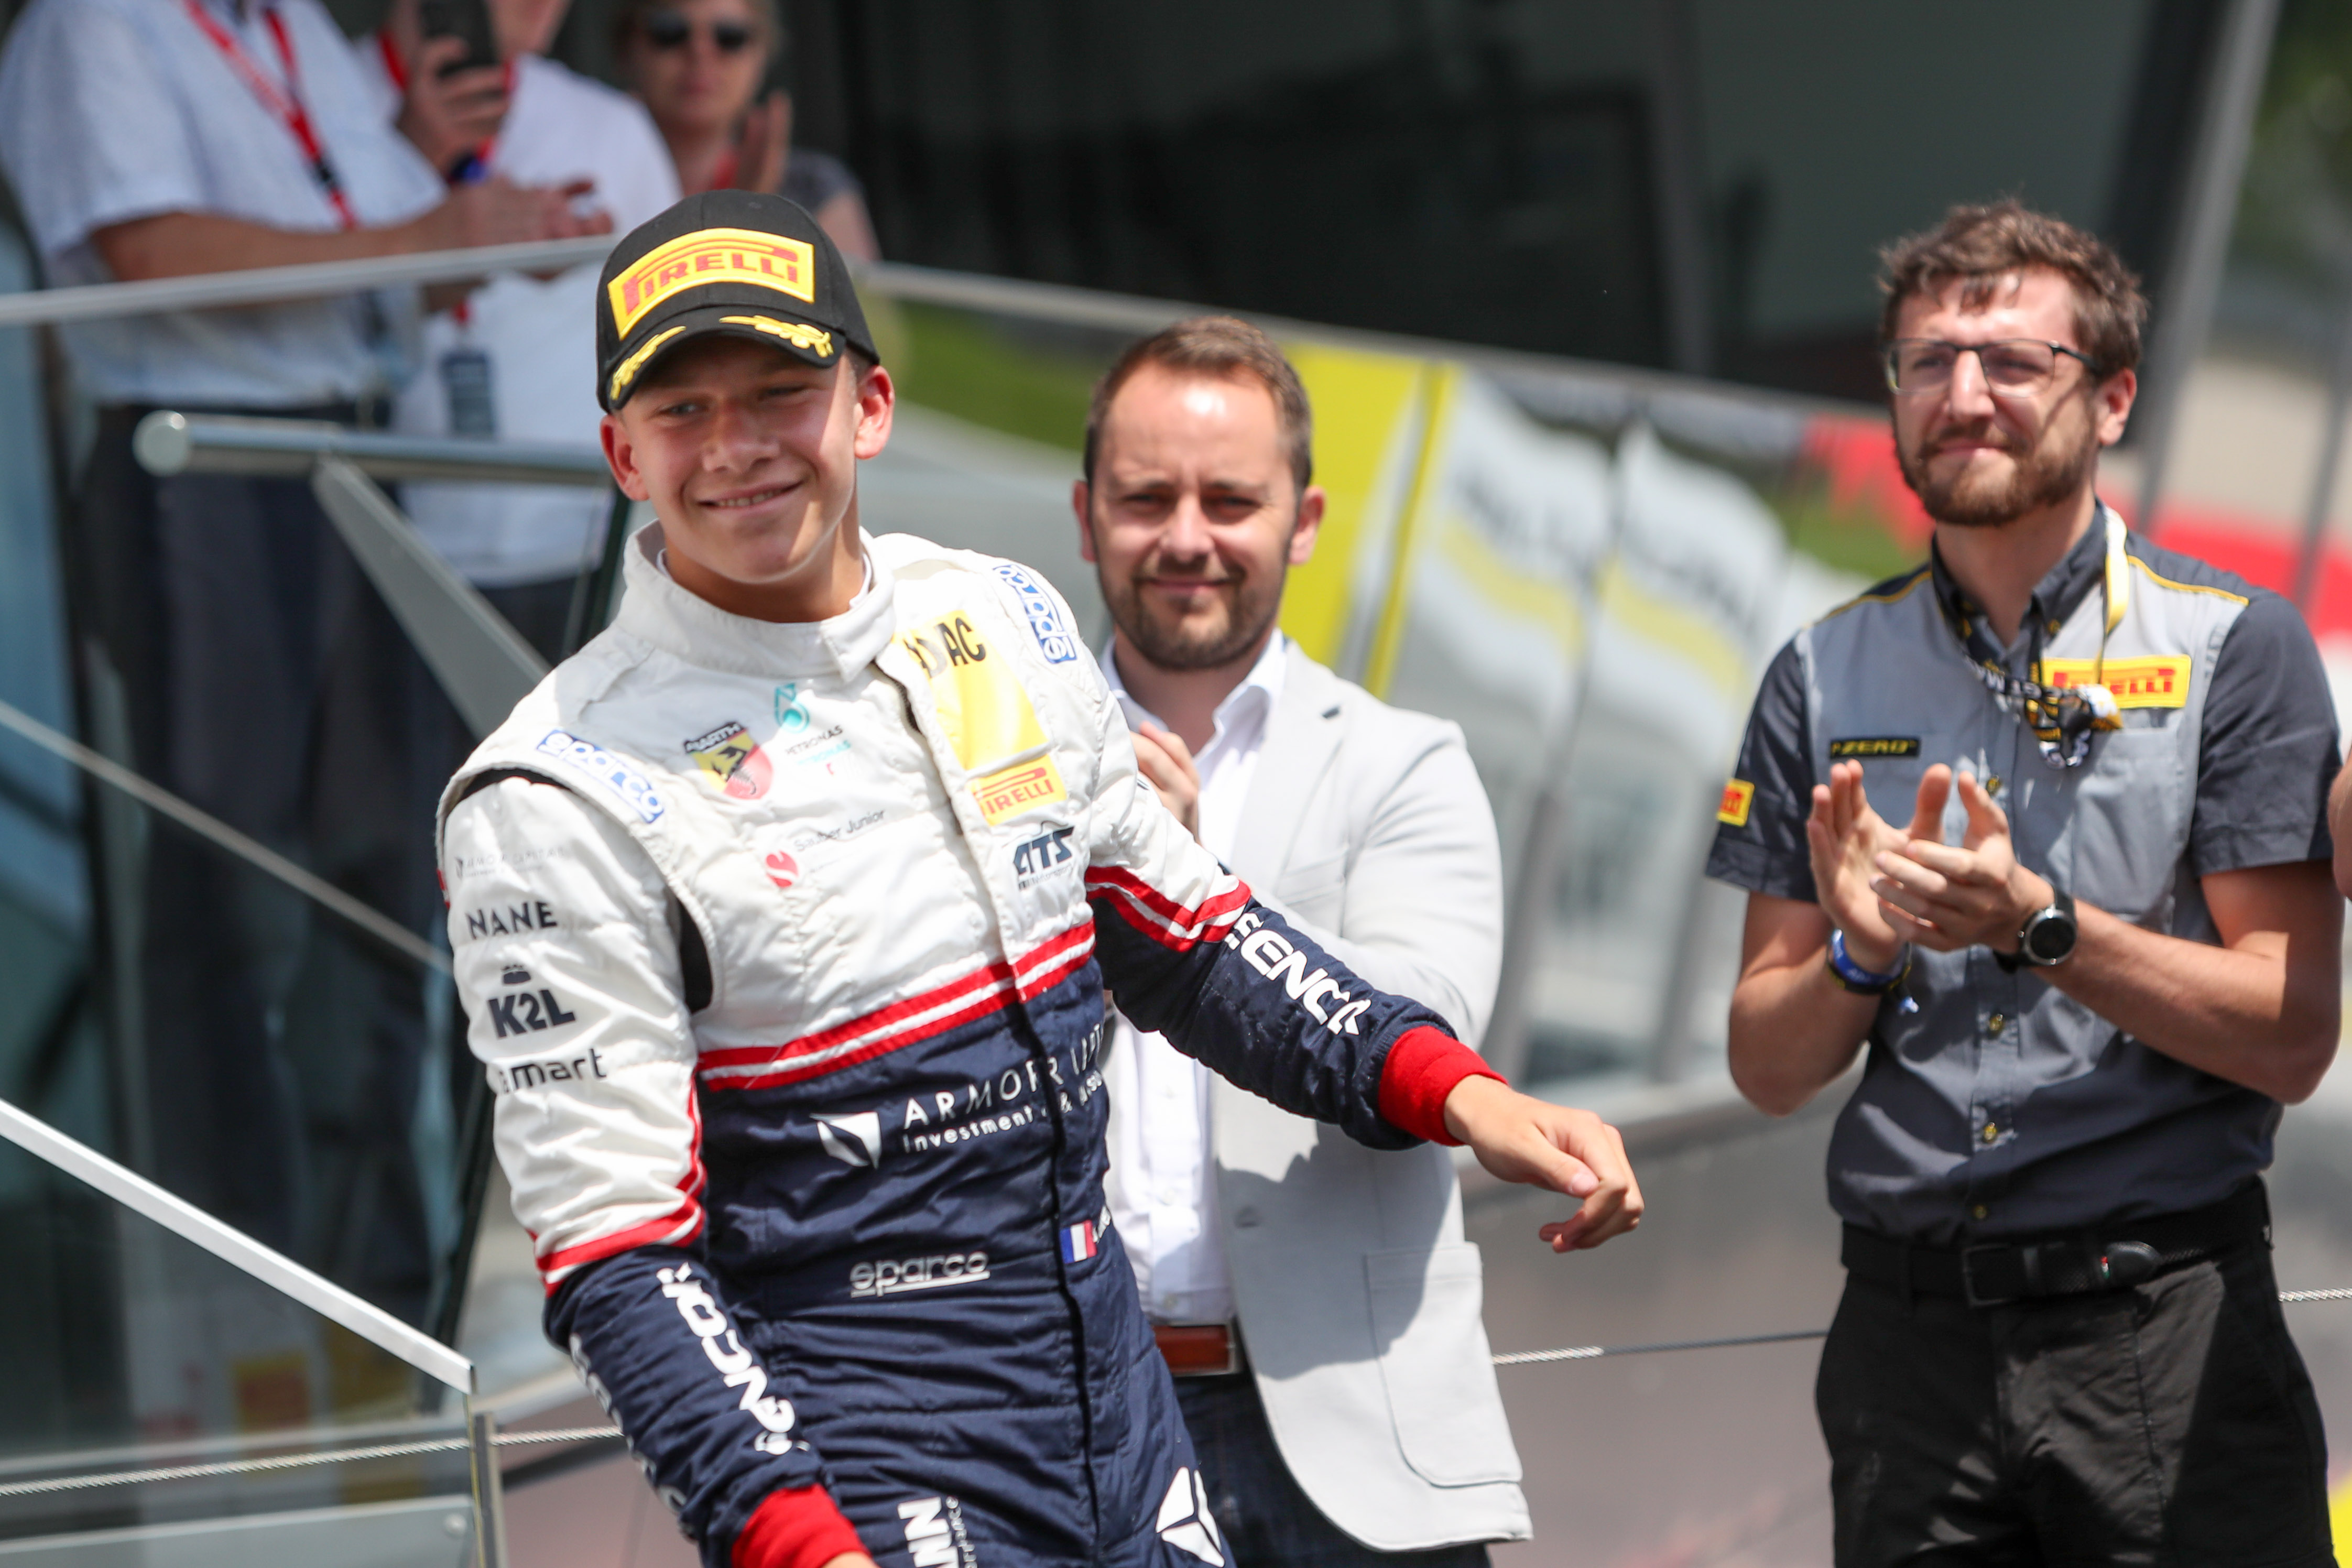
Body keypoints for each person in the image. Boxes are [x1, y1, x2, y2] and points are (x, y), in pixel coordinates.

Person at [437, 189, 1640, 1568]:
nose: (736, 446)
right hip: (869, 1461)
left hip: (1123, 1430)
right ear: (622, 453)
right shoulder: (551, 793)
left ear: (869, 407)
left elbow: (1193, 935)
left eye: (778, 392)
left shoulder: (996, 618)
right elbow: (617, 1259)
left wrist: (1459, 1092)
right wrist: (795, 1544)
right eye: (683, 410)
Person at [1709, 200, 2341, 1564]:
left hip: (2162, 1330)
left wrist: (2041, 925)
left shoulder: (2237, 649)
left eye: (2012, 361)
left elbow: (2292, 1032)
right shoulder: (1818, 672)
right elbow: (1763, 1062)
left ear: (2112, 398)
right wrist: (1860, 956)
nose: (1963, 396)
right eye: (1927, 362)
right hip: (1905, 1351)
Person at [0, 0, 605, 1314]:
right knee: (231, 894)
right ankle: (237, 1296)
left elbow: (373, 259)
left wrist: (487, 234)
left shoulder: (293, 32)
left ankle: (376, 1292)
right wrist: (424, 233)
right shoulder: (96, 27)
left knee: (375, 876)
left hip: (341, 442)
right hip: (199, 460)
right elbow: (147, 250)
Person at [1073, 317, 1528, 1563]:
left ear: (1305, 520)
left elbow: (1428, 1033)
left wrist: (1184, 890)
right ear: (1085, 514)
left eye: (1230, 499)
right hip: (1074, 1436)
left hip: (1353, 1439)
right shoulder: (991, 765)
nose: (1187, 536)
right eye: (1145, 497)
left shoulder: (1405, 760)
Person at [359, 0, 679, 657]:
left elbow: (678, 345)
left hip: (582, 541)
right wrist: (410, 161)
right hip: (376, 544)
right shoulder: (327, 93)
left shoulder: (610, 126)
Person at [613, 0, 880, 262]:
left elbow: (857, 292)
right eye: (669, 33)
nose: (700, 52)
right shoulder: (598, 180)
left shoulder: (812, 186)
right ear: (627, 50)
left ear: (763, 56)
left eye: (730, 37)